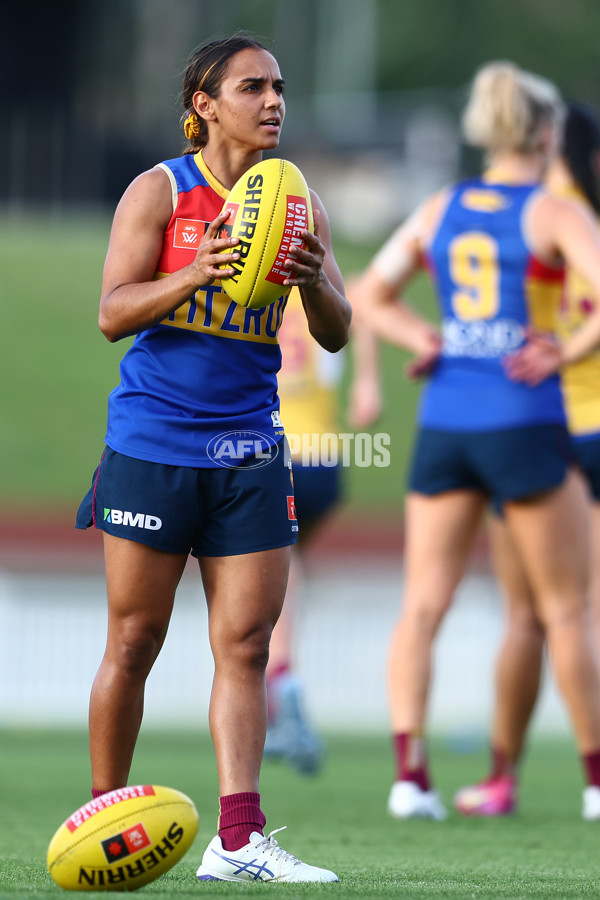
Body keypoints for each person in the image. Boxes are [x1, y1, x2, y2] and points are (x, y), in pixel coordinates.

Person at [75, 33, 351, 883]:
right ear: (205, 103)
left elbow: (338, 332)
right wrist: (196, 271)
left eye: (278, 88)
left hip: (252, 449)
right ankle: (99, 818)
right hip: (155, 444)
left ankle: (240, 841)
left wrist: (308, 280)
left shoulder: (298, 203)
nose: (272, 102)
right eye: (251, 87)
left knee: (247, 645)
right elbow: (113, 312)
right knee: (135, 640)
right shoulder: (159, 190)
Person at [348, 61, 600, 822]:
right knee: (565, 610)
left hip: (445, 424)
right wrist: (566, 349)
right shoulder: (554, 212)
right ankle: (595, 784)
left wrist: (421, 334)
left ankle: (409, 778)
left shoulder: (438, 207)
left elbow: (368, 294)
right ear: (546, 132)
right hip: (522, 420)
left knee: (422, 605)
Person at [454, 101, 600, 820]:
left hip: (539, 424)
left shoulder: (531, 212)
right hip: (579, 424)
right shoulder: (572, 214)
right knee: (577, 614)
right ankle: (593, 781)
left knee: (529, 615)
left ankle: (503, 779)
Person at [264, 299, 381, 774]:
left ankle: (281, 682)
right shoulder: (322, 283)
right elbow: (368, 309)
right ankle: (284, 681)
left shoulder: (254, 280)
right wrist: (368, 383)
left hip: (270, 450)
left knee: (261, 575)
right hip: (324, 459)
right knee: (290, 567)